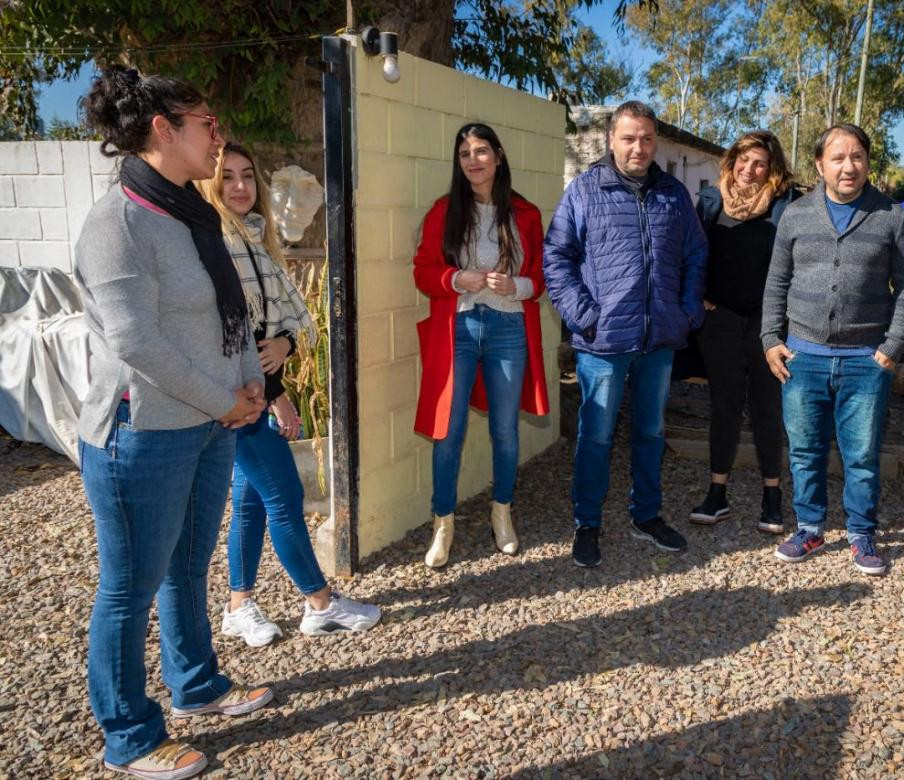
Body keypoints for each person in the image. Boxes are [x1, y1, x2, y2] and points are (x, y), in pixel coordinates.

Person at [75, 66, 271, 780]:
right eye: (207, 125)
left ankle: (197, 687)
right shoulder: (117, 220)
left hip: (211, 421)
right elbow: (134, 341)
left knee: (188, 567)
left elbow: (230, 309)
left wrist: (249, 377)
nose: (218, 136)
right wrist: (222, 401)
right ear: (163, 129)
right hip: (143, 433)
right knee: (128, 587)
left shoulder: (190, 212)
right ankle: (128, 736)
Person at [197, 143, 380, 645]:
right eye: (227, 177)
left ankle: (238, 605)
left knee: (252, 499)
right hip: (232, 397)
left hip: (256, 392)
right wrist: (266, 381)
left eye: (247, 176)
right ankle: (319, 603)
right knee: (284, 495)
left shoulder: (258, 240)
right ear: (209, 185)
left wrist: (284, 354)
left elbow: (275, 327)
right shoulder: (213, 241)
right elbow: (229, 332)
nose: (239, 186)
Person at [544, 100, 707, 568]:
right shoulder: (585, 191)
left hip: (658, 339)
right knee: (595, 436)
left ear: (655, 142)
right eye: (629, 138)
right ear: (611, 140)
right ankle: (588, 522)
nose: (639, 147)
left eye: (647, 138)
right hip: (603, 342)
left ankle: (646, 515)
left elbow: (696, 254)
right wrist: (583, 315)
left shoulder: (673, 194)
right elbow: (557, 257)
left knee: (651, 431)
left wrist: (688, 309)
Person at [761, 123, 904, 577]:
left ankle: (861, 532)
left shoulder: (892, 215)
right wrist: (771, 339)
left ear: (868, 162)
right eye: (838, 158)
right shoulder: (795, 214)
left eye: (857, 157)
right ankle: (809, 526)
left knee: (862, 453)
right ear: (819, 165)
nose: (848, 166)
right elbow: (776, 282)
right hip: (803, 357)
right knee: (805, 450)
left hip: (865, 358)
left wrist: (892, 346)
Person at [413, 123, 549, 568]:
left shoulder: (525, 213)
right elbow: (422, 271)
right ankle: (443, 525)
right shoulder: (443, 211)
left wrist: (519, 284)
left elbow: (544, 279)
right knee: (448, 431)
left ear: (499, 155)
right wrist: (456, 278)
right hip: (459, 327)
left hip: (509, 327)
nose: (473, 160)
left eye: (482, 151)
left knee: (505, 431)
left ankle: (502, 514)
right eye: (465, 153)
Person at [690, 130, 800, 533]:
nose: (750, 170)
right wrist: (697, 295)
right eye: (744, 160)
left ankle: (772, 496)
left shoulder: (787, 203)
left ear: (772, 167)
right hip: (720, 320)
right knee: (725, 407)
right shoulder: (709, 199)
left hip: (769, 325)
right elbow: (690, 251)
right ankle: (717, 493)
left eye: (760, 163)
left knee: (768, 409)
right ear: (732, 160)